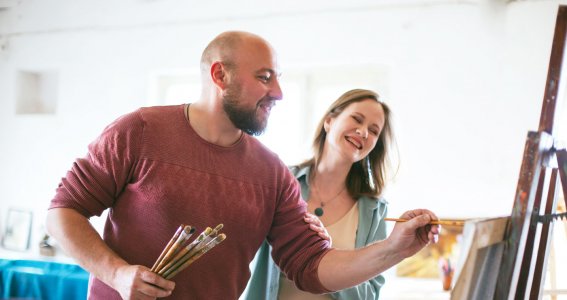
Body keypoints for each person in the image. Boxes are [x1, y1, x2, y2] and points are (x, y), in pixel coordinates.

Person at [46, 31, 439, 300]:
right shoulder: (140, 130)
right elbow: (63, 211)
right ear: (220, 74)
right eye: (264, 78)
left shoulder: (271, 174)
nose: (279, 93)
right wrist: (116, 274)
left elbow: (313, 265)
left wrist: (393, 249)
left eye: (279, 79)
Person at [246, 88, 394, 300]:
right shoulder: (281, 180)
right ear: (329, 121)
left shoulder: (375, 209)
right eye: (357, 119)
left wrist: (328, 262)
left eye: (373, 130)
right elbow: (241, 247)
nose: (363, 132)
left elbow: (370, 294)